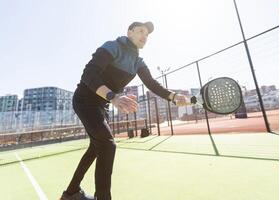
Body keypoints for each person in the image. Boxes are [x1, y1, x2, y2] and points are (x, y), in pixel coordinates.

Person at [60, 21, 187, 200]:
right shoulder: (112, 47)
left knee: (96, 147)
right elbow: (88, 75)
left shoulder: (138, 62)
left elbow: (151, 83)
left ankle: (71, 193)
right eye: (141, 31)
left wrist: (173, 97)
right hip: (84, 99)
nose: (145, 36)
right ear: (129, 32)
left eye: (147, 34)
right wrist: (113, 97)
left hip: (101, 105)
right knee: (107, 144)